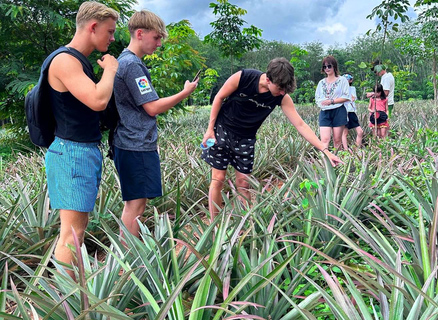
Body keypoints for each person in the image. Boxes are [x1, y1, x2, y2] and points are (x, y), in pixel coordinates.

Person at [201, 58, 343, 220]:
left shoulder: (281, 97)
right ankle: (215, 225)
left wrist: (325, 150)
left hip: (246, 138)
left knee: (244, 184)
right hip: (223, 129)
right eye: (280, 88)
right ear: (268, 79)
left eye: (286, 89)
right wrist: (209, 129)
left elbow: (300, 124)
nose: (282, 92)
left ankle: (246, 226)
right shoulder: (243, 78)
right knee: (218, 180)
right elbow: (219, 97)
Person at [44, 1, 119, 278]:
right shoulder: (65, 60)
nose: (111, 38)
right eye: (109, 32)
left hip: (79, 151)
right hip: (72, 153)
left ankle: (72, 294)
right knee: (71, 234)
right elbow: (98, 100)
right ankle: (66, 303)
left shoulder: (77, 60)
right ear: (93, 27)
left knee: (77, 230)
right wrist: (110, 69)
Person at [112, 10, 198, 238]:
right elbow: (152, 107)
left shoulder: (126, 61)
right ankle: (129, 260)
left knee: (136, 203)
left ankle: (127, 258)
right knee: (136, 206)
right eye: (157, 37)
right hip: (135, 143)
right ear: (140, 33)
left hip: (131, 142)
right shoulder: (132, 66)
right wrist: (185, 92)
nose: (159, 44)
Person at [315, 55, 351, 150]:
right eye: (324, 66)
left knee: (337, 140)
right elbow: (317, 98)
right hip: (325, 112)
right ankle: (324, 162)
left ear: (334, 66)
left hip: (338, 111)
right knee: (324, 140)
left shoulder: (342, 80)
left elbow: (347, 96)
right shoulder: (321, 83)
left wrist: (331, 101)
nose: (327, 68)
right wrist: (323, 103)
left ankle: (337, 162)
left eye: (329, 66)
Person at [341, 73, 363, 149]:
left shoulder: (352, 88)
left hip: (351, 111)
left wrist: (347, 98)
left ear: (351, 80)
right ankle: (346, 150)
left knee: (360, 131)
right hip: (344, 111)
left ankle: (356, 149)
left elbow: (353, 98)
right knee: (345, 133)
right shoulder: (340, 89)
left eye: (348, 79)